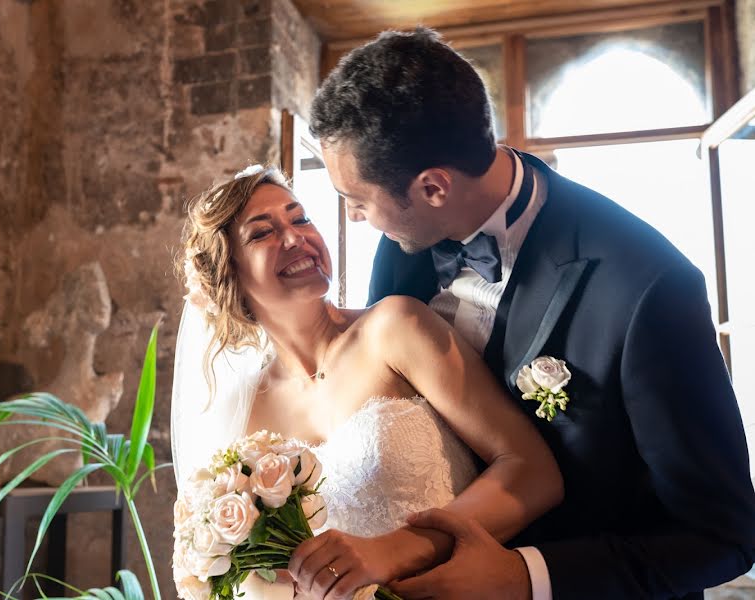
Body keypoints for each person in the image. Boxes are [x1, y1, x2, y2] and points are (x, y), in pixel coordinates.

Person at [304, 26, 755, 600]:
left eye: (358, 202)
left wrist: (527, 577)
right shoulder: (405, 241)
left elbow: (723, 536)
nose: (360, 220)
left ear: (434, 187)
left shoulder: (648, 287)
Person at [171, 165, 563, 600]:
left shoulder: (396, 327)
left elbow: (533, 471)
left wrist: (396, 551)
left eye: (300, 218)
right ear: (229, 276)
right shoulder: (246, 415)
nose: (295, 237)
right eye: (262, 233)